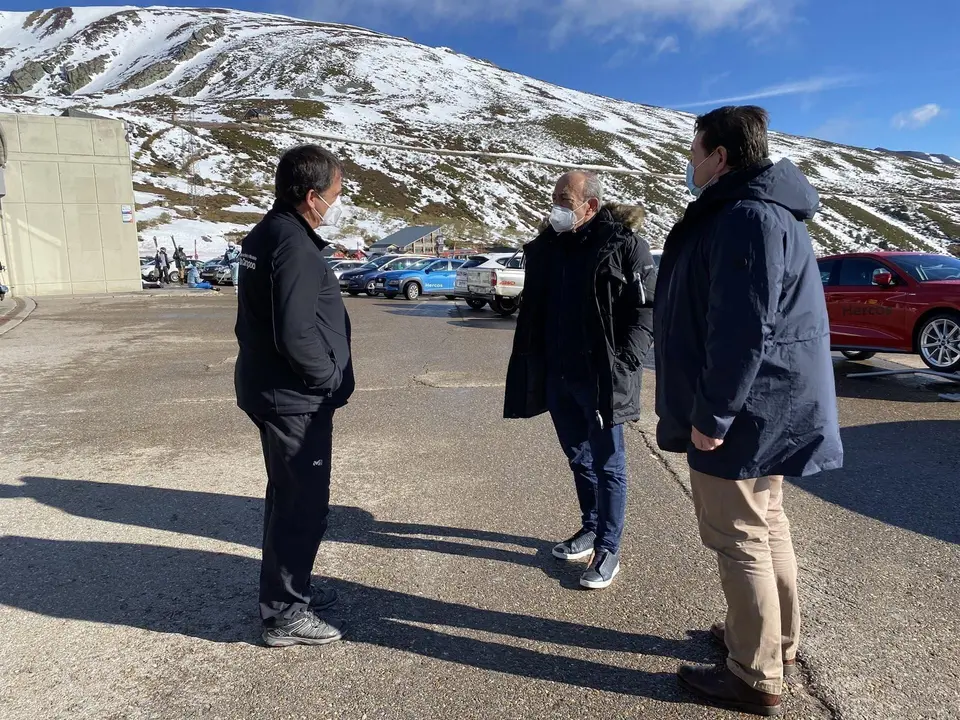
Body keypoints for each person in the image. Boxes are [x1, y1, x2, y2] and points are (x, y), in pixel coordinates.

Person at [654, 105, 843, 716]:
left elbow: (740, 329)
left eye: (695, 148)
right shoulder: (767, 211)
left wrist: (712, 415)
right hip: (769, 406)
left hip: (746, 411)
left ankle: (755, 673)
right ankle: (773, 642)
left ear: (721, 156)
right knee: (768, 525)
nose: (689, 159)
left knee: (739, 536)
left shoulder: (745, 217)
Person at [504, 171, 656, 590]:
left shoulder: (624, 245)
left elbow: (646, 312)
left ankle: (609, 547)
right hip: (558, 376)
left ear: (589, 206)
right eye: (554, 196)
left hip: (601, 378)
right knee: (579, 457)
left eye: (564, 199)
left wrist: (624, 363)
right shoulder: (549, 247)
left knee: (609, 464)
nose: (555, 205)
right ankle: (590, 528)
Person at [234, 144, 354, 647]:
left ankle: (291, 590)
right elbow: (296, 332)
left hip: (274, 391)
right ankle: (284, 613)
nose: (337, 202)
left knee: (288, 498)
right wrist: (328, 378)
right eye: (335, 194)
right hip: (295, 399)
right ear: (311, 196)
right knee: (302, 505)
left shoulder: (267, 233)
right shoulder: (295, 246)